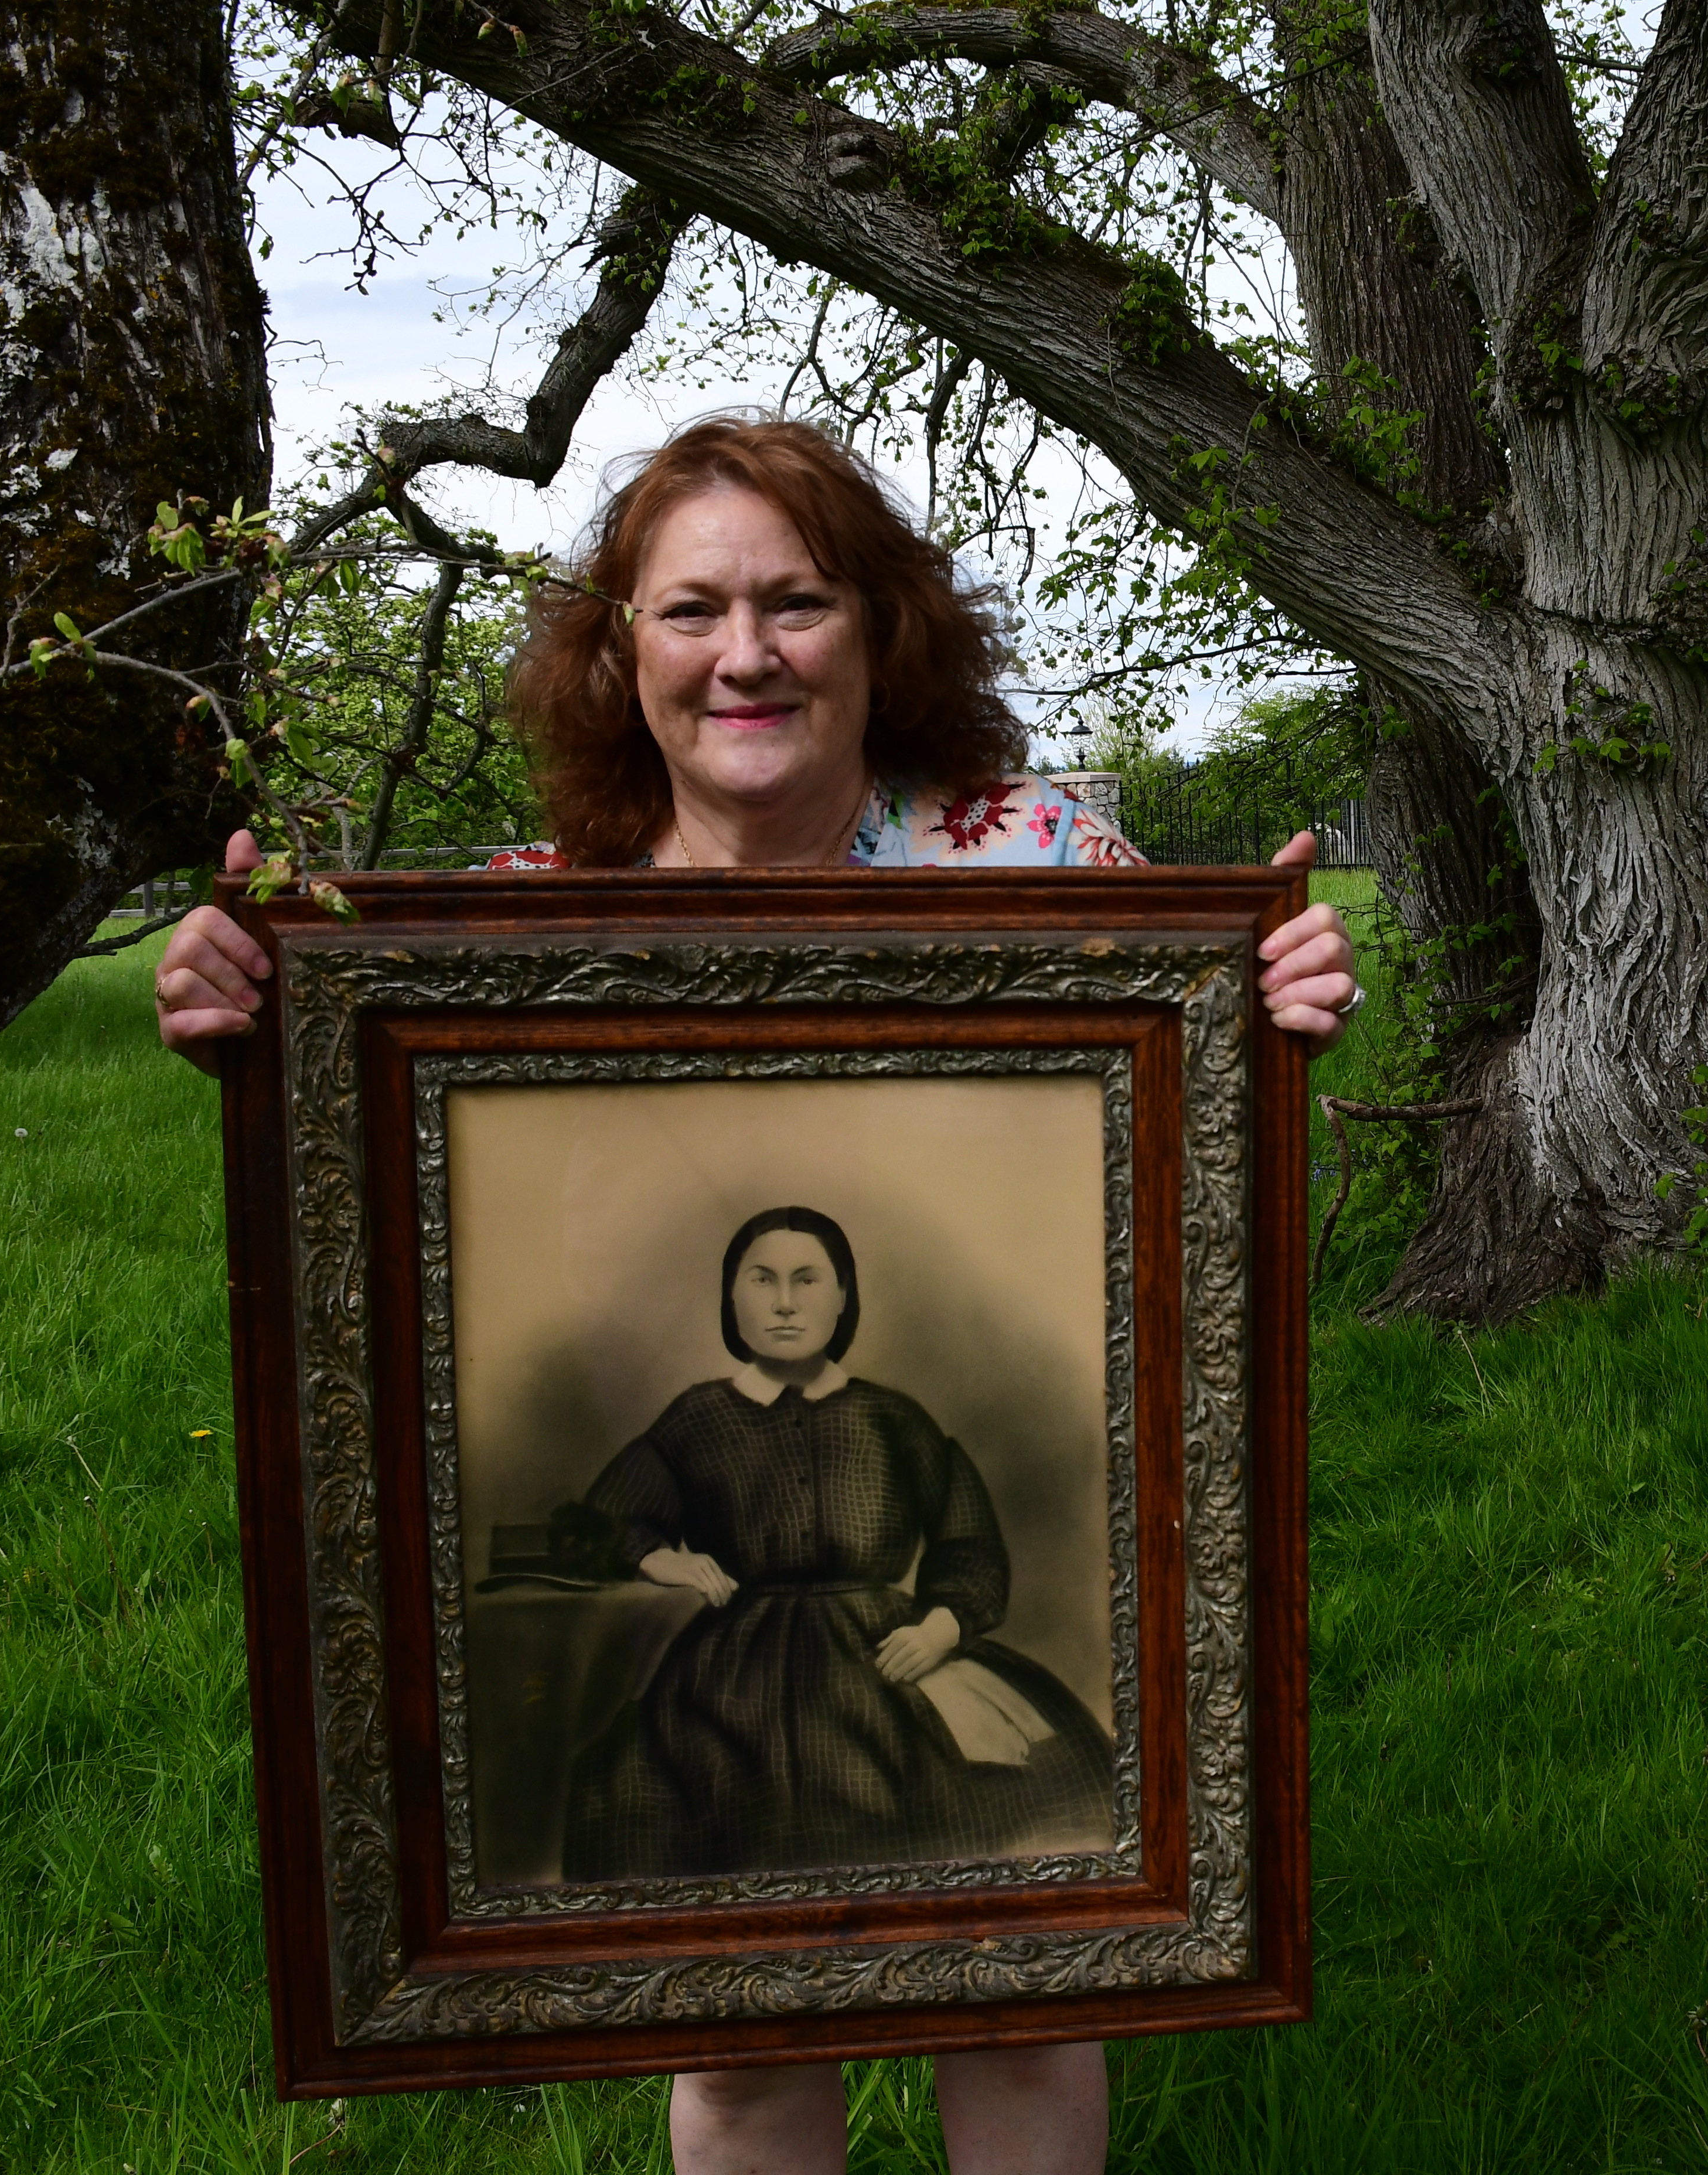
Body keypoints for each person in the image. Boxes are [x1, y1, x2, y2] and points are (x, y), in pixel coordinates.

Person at [152, 414, 1358, 2175]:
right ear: (616, 648)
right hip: (727, 1689)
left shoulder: (1043, 878)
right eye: (689, 610)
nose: (744, 655)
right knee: (730, 2033)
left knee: (1025, 2000)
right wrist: (260, 1040)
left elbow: (1177, 1212)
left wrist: (1268, 1024)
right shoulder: (501, 942)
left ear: (878, 632)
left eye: (796, 604)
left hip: (932, 1642)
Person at [564, 1205, 1116, 1882]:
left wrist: (941, 1626)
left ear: (844, 1296)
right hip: (731, 1674)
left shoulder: (894, 1418)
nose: (787, 1303)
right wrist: (663, 1558)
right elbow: (604, 1519)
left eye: (809, 1280)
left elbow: (968, 1542)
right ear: (731, 1297)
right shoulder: (696, 1419)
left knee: (1000, 1796)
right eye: (763, 1281)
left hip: (887, 1653)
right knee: (684, 1803)